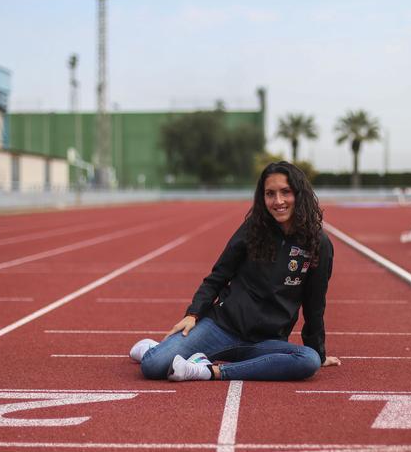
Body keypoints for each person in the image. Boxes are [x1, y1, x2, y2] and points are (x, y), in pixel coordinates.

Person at [130, 161, 341, 381]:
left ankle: (209, 371)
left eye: (286, 192)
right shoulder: (253, 230)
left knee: (309, 360)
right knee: (153, 365)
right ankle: (153, 349)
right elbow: (218, 276)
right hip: (221, 328)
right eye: (270, 194)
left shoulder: (319, 244)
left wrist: (318, 350)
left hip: (265, 341)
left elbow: (315, 304)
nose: (278, 201)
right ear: (263, 198)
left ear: (299, 194)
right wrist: (193, 314)